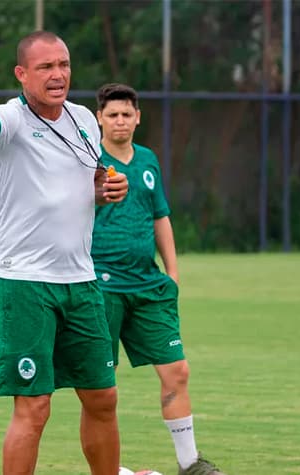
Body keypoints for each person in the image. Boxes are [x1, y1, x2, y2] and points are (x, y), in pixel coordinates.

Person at [0, 31, 129, 475]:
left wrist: (106, 190)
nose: (58, 74)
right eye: (46, 67)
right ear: (22, 74)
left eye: (64, 64)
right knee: (34, 408)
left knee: (103, 397)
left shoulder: (86, 120)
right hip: (25, 282)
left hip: (81, 281)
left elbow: (84, 186)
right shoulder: (8, 119)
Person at [91, 83, 227, 475]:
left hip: (148, 286)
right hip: (102, 285)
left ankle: (190, 464)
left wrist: (173, 271)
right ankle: (109, 469)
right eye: (112, 114)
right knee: (102, 385)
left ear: (138, 117)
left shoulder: (148, 161)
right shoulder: (88, 158)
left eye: (126, 114)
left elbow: (160, 216)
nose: (120, 121)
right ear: (99, 117)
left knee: (176, 371)